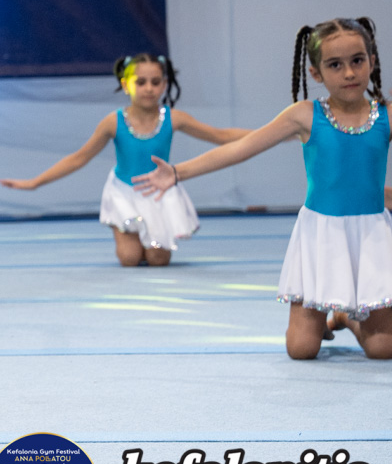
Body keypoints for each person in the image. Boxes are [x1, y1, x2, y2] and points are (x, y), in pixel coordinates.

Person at [136, 18, 392, 360]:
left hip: (372, 236)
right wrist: (178, 172)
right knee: (301, 349)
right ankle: (333, 316)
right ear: (316, 73)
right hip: (321, 237)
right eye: (335, 64)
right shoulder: (305, 115)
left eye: (357, 60)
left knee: (383, 349)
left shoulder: (385, 115)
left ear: (372, 61)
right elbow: (241, 148)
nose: (349, 73)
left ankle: (347, 317)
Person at [1, 54, 247, 266]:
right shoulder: (113, 122)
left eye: (155, 82)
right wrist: (35, 183)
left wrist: (266, 135)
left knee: (158, 260)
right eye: (140, 82)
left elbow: (221, 135)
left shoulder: (174, 118)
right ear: (125, 84)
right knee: (129, 259)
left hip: (158, 193)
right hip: (124, 194)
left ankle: (148, 239)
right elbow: (79, 158)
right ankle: (126, 232)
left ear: (164, 85)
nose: (148, 88)